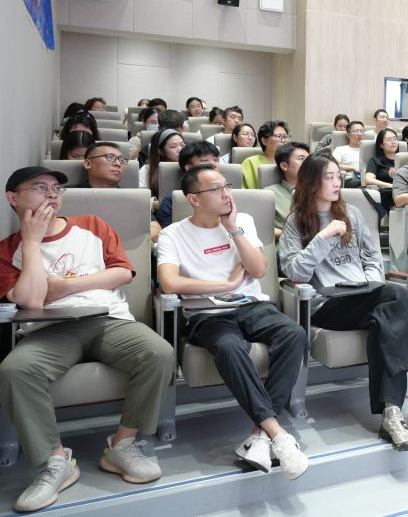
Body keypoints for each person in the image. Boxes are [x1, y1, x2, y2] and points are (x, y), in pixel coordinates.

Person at [0, 166, 175, 511]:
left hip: (107, 319)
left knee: (158, 352)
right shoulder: (8, 249)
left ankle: (122, 445)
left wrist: (65, 286)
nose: (52, 194)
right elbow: (31, 301)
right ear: (13, 198)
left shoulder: (92, 226)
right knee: (15, 369)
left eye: (56, 188)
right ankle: (55, 462)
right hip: (49, 329)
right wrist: (31, 242)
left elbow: (122, 273)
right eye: (40, 187)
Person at [278, 156, 408, 450]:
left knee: (383, 319)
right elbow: (295, 273)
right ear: (310, 182)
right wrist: (322, 238)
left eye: (338, 176)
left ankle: (391, 414)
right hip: (328, 305)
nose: (337, 182)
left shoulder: (352, 213)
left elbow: (372, 258)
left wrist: (372, 284)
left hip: (366, 298)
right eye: (329, 177)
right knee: (395, 295)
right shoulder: (295, 222)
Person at [157, 165, 309, 478]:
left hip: (251, 304)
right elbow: (169, 283)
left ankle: (260, 435)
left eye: (226, 186)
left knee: (294, 333)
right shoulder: (173, 233)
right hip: (206, 313)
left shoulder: (244, 221)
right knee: (229, 347)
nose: (226, 193)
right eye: (216, 189)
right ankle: (277, 434)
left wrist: (233, 229)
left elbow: (258, 270)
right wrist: (225, 285)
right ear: (194, 199)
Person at [154, 141, 222, 234]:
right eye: (204, 161)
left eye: (215, 160)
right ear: (189, 168)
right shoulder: (171, 201)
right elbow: (169, 235)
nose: (213, 165)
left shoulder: (228, 194)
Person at [266, 142, 310, 237]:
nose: (309, 163)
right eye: (301, 159)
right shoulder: (268, 195)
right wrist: (292, 236)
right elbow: (259, 227)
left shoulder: (319, 191)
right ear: (284, 166)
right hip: (285, 243)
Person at [244, 121, 290, 189]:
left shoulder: (291, 162)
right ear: (264, 141)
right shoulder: (250, 162)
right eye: (279, 136)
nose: (284, 140)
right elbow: (247, 193)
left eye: (285, 136)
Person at [140, 130, 185, 194]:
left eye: (182, 145)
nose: (180, 150)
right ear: (161, 151)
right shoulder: (146, 170)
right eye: (173, 146)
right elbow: (142, 196)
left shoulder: (190, 166)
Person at [364, 128, 399, 209]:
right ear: (381, 145)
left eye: (395, 139)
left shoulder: (404, 159)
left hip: (404, 192)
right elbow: (368, 179)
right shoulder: (375, 160)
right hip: (387, 193)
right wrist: (391, 186)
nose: (393, 142)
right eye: (389, 139)